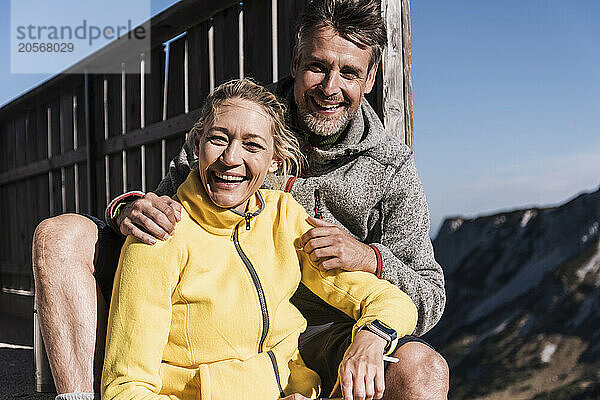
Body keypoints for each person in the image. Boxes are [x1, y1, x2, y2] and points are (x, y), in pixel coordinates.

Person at [32, 1, 449, 399]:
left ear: (371, 78)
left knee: (423, 370)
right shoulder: (241, 117)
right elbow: (174, 208)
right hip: (220, 331)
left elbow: (429, 293)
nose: (330, 87)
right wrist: (128, 209)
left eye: (350, 73)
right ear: (295, 62)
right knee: (60, 237)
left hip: (330, 337)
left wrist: (369, 262)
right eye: (317, 67)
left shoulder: (391, 166)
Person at [101, 78, 417, 400]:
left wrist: (371, 338)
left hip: (298, 392)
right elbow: (125, 391)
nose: (231, 158)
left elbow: (391, 300)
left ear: (275, 161)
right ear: (196, 147)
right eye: (218, 139)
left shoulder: (283, 217)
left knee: (421, 368)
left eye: (252, 145)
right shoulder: (159, 235)